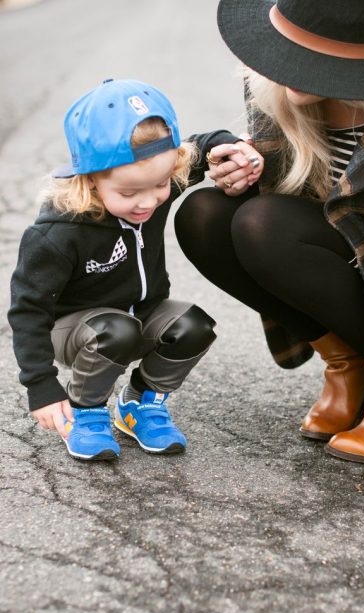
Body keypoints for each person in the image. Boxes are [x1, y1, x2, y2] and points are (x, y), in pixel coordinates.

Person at [174, 0, 364, 477]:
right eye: (284, 50)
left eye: (312, 61)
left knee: (262, 222)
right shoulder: (274, 83)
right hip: (341, 264)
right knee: (203, 214)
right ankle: (347, 367)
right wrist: (239, 157)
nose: (287, 70)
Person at [8, 78, 256, 462]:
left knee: (194, 325)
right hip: (76, 330)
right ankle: (87, 413)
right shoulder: (57, 233)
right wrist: (41, 386)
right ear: (89, 179)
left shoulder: (153, 181)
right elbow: (28, 310)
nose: (147, 203)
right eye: (128, 193)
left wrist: (232, 147)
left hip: (137, 316)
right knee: (117, 331)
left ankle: (139, 404)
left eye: (160, 185)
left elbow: (202, 144)